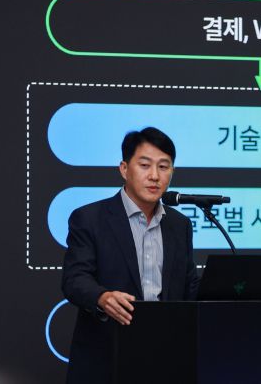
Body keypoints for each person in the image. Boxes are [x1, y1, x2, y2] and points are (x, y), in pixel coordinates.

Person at [61, 127, 199, 384]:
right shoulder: (90, 219)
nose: (154, 176)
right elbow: (74, 279)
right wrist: (102, 297)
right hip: (108, 356)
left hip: (166, 356)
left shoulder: (179, 225)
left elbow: (188, 286)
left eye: (163, 167)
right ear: (124, 169)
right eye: (145, 165)